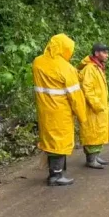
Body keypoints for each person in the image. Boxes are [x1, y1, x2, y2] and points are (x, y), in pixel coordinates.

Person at [32, 34, 87, 186]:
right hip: (60, 111)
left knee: (50, 141)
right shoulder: (66, 68)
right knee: (60, 142)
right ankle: (56, 176)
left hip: (44, 110)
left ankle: (55, 172)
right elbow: (76, 97)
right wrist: (82, 117)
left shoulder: (37, 62)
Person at [78, 43, 109, 169]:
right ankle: (91, 159)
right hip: (93, 108)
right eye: (104, 52)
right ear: (96, 53)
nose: (107, 55)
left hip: (99, 107)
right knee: (92, 133)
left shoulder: (97, 67)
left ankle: (95, 157)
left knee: (98, 133)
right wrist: (97, 105)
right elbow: (87, 89)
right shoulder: (90, 69)